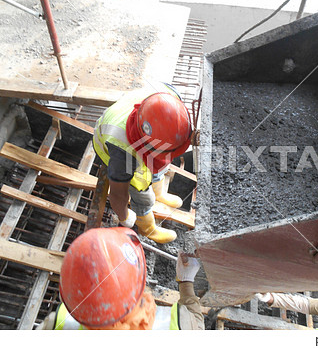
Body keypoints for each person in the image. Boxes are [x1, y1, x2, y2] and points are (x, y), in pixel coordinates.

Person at [37, 227, 204, 330]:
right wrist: (186, 281)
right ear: (140, 279)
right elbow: (197, 325)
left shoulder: (56, 324)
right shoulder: (180, 324)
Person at [93, 82, 192, 244]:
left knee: (161, 164)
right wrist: (125, 217)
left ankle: (159, 193)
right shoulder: (123, 155)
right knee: (141, 190)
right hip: (109, 145)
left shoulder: (168, 95)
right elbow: (118, 195)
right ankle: (147, 227)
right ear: (148, 146)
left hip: (135, 135)